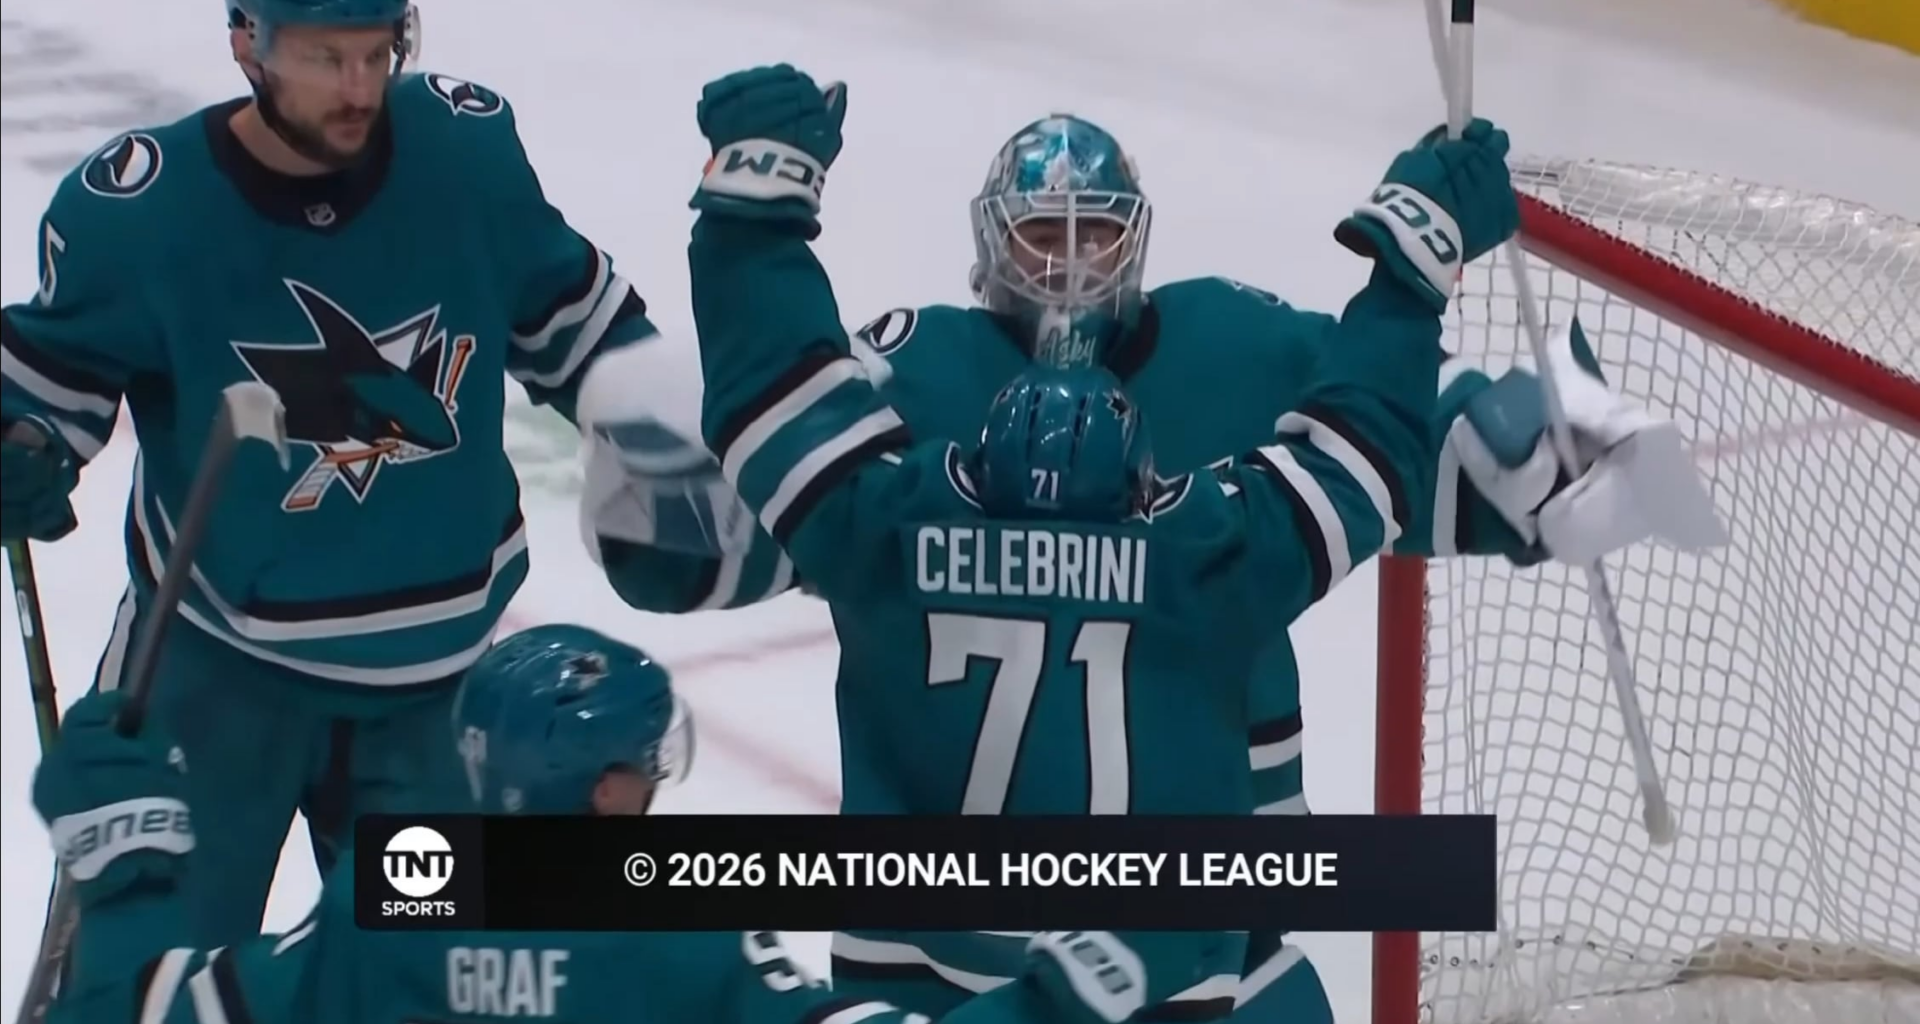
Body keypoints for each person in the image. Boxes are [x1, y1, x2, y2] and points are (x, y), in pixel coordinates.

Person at [606, 64, 1724, 1022]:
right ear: (994, 245)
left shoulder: (1158, 356)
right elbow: (1375, 445)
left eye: (1097, 233)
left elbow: (784, 479)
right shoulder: (1172, 451)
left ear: (1136, 238)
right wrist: (1430, 282)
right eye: (1044, 235)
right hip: (1138, 937)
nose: (1071, 265)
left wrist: (1529, 434)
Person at [0, 0, 731, 951]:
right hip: (212, 677)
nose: (358, 89)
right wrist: (24, 448)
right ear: (247, 42)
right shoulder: (143, 213)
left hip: (441, 692)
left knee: (438, 985)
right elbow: (45, 389)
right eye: (324, 58)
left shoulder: (462, 158)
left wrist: (663, 440)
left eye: (376, 54)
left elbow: (581, 328)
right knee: (146, 975)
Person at [34, 623, 1205, 1024]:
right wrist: (1042, 1004)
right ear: (603, 791)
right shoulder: (677, 931)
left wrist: (126, 868)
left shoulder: (385, 894)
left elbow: (155, 1008)